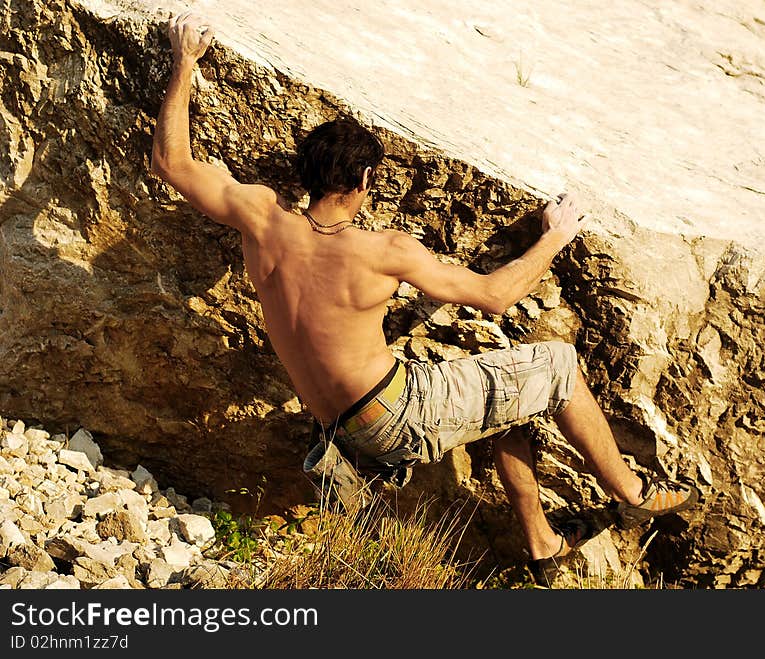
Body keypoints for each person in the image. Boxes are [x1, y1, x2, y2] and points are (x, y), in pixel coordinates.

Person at [151, 13, 698, 586]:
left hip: (338, 430)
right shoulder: (381, 251)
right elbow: (495, 295)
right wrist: (555, 237)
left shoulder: (260, 218)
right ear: (364, 179)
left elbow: (173, 162)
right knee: (556, 365)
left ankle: (541, 542)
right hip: (397, 415)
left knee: (505, 401)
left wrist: (185, 61)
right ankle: (637, 493)